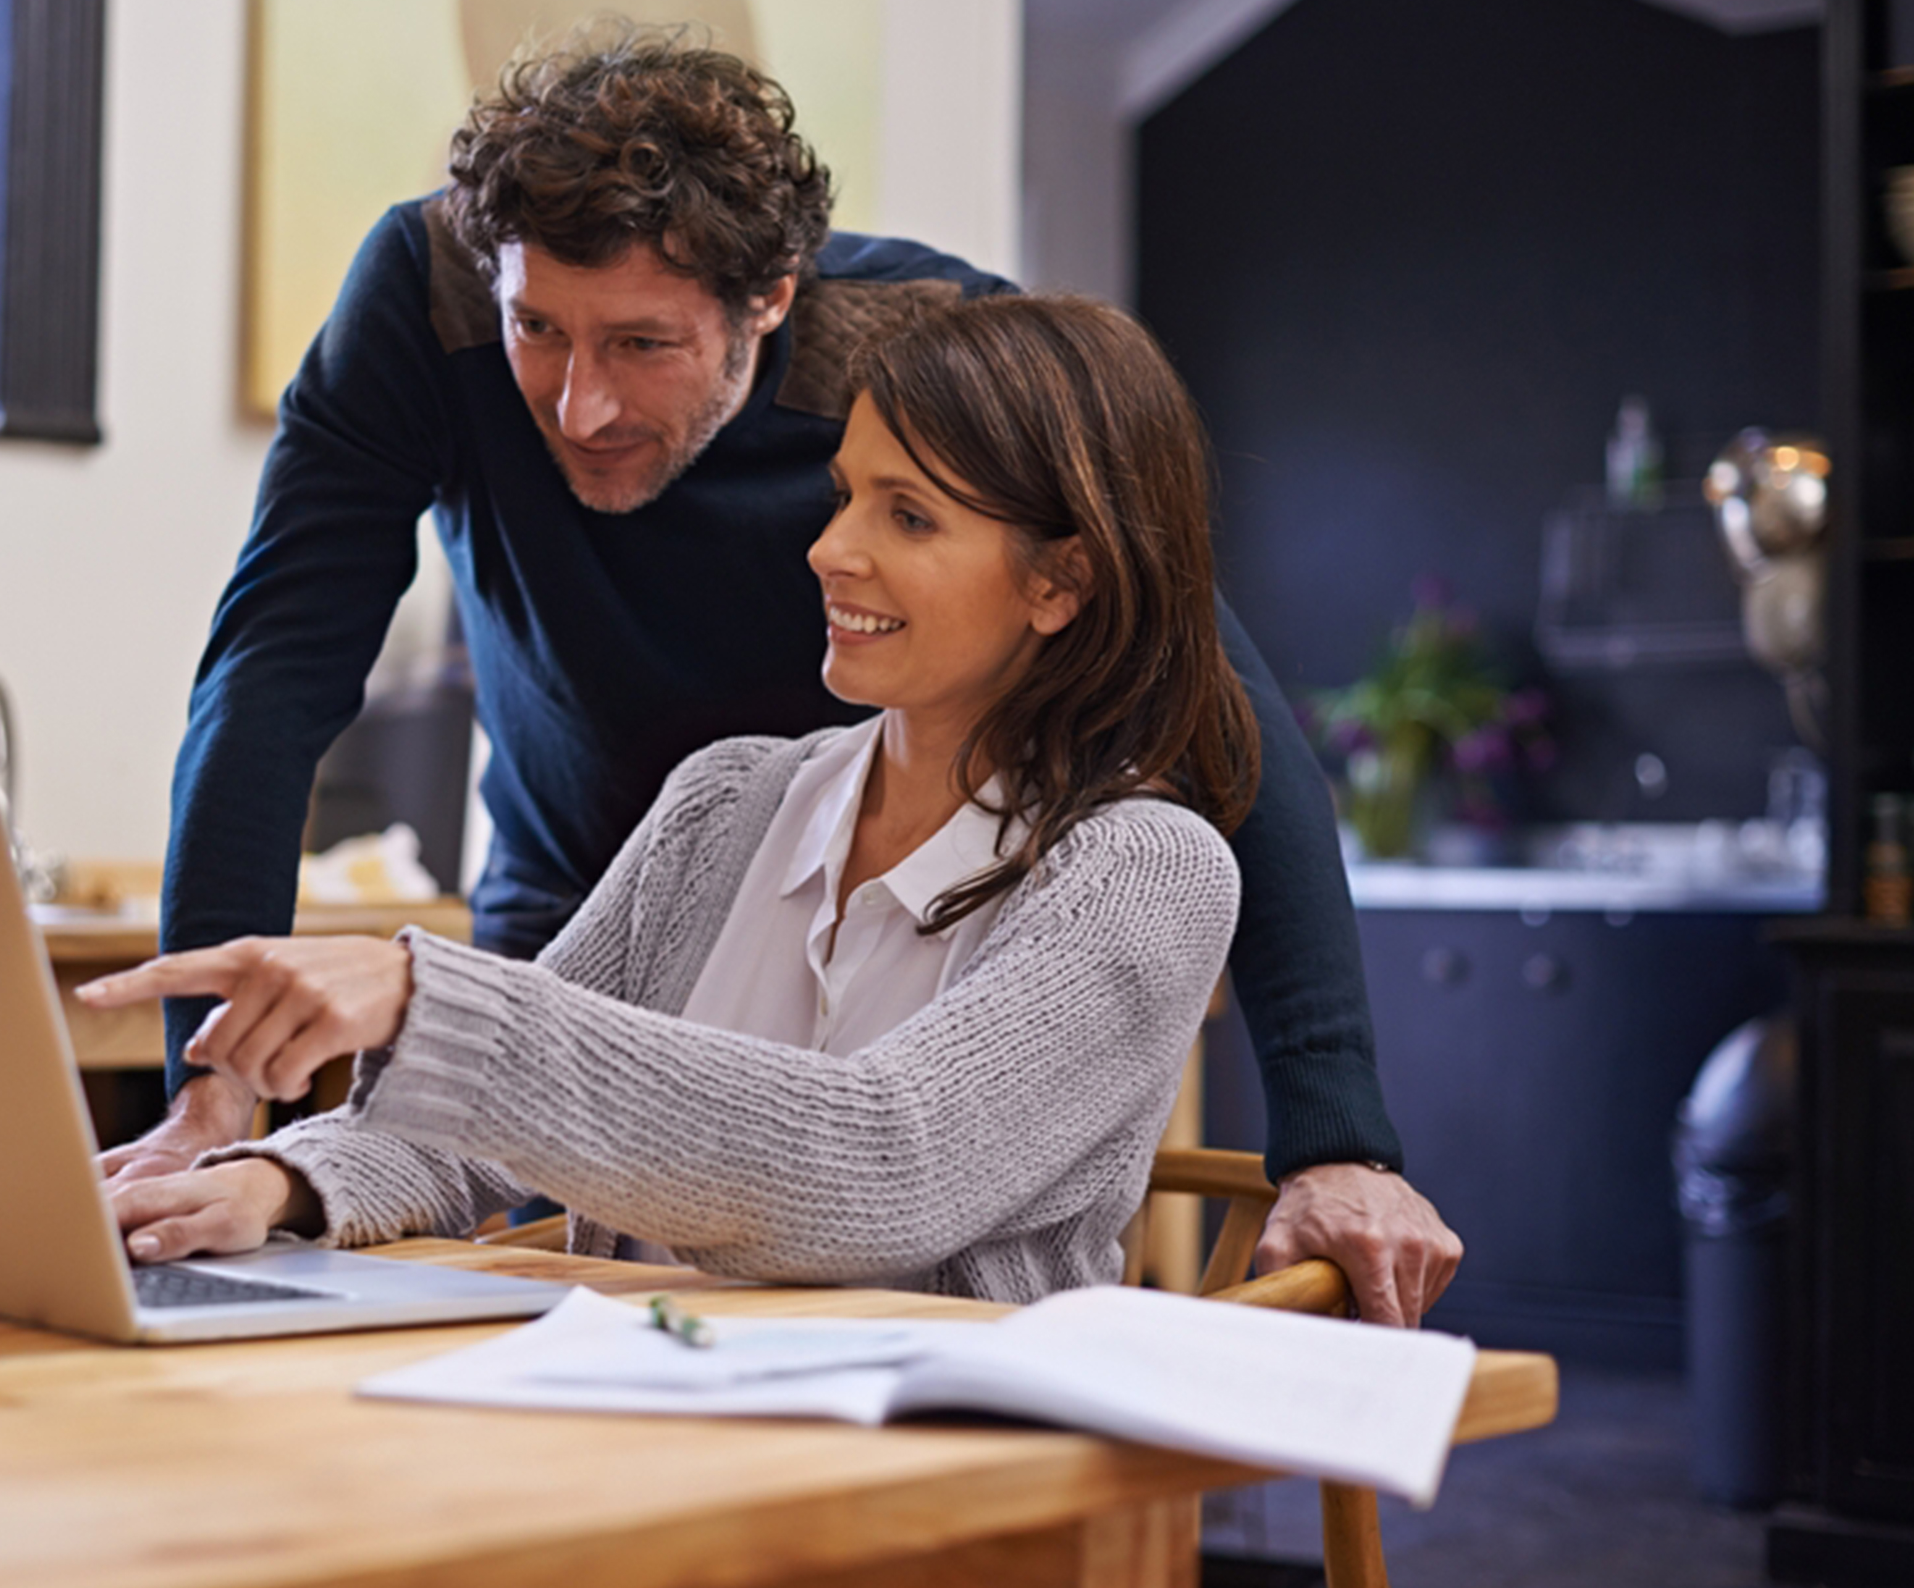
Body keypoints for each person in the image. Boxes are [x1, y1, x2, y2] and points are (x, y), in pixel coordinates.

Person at [108, 28, 1460, 1323]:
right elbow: (269, 679)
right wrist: (244, 1144)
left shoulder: (945, 376)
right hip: (663, 895)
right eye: (539, 334)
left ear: (774, 299)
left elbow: (879, 1160)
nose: (578, 407)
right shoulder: (717, 802)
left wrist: (1336, 1128)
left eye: (643, 343)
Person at [84, 294, 1254, 1298]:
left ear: (1061, 581)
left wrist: (429, 1000)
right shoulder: (725, 801)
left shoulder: (1146, 871)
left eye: (908, 515)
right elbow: (488, 1133)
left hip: (934, 1500)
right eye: (844, 494)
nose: (830, 550)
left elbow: (883, 1165)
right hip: (640, 1429)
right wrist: (274, 1183)